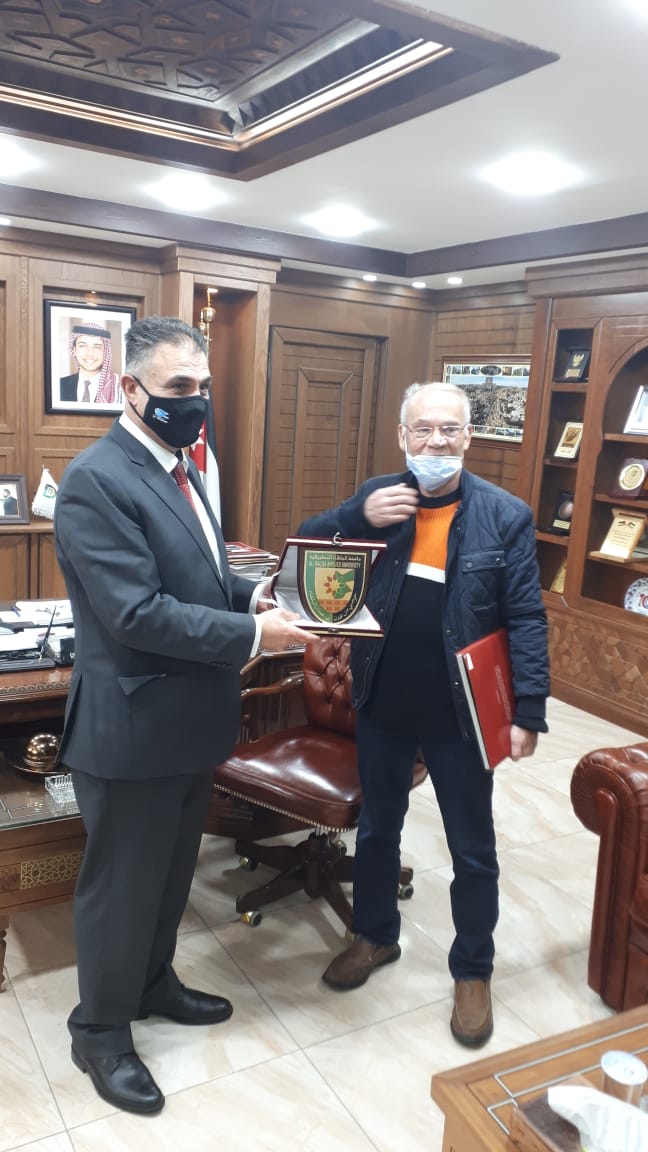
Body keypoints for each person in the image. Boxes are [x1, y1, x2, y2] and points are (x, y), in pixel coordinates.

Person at [54, 315, 314, 1116]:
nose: (194, 400)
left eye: (201, 386)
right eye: (177, 387)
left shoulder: (184, 468)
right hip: (131, 729)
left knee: (168, 880)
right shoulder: (96, 479)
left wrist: (252, 595)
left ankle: (152, 982)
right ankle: (100, 1030)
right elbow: (136, 613)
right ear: (129, 389)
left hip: (192, 722)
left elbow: (200, 572)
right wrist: (254, 636)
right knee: (121, 890)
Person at [297, 381, 549, 1048]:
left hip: (461, 712)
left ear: (468, 437)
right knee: (378, 829)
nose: (435, 441)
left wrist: (529, 709)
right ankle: (375, 935)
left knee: (472, 848)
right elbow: (307, 549)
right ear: (402, 436)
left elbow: (526, 617)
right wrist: (356, 514)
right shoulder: (379, 499)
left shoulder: (505, 516)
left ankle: (473, 970)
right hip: (382, 700)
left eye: (448, 429)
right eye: (422, 429)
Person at [60, 321, 123, 404]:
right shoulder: (60, 385)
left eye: (97, 347)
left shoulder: (118, 389)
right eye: (83, 346)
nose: (90, 353)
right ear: (74, 350)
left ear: (105, 352)